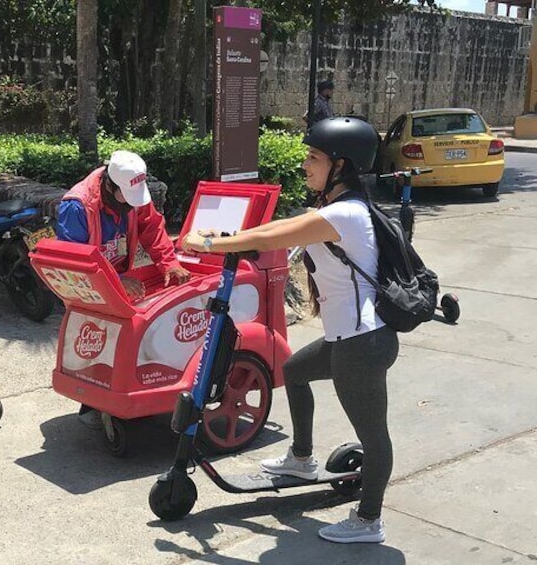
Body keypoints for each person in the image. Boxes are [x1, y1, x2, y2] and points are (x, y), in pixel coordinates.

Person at [182, 117, 399, 544]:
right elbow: (272, 230)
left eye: (314, 158)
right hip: (346, 339)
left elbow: (275, 239)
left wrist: (207, 243)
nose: (305, 165)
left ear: (342, 166)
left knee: (374, 437)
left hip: (362, 344)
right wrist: (225, 235)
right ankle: (301, 459)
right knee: (295, 372)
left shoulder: (345, 215)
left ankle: (369, 520)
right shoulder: (330, 211)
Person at [56, 150, 191, 428]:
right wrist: (116, 282)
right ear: (108, 185)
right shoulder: (77, 206)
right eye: (125, 201)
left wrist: (169, 264)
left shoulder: (132, 193)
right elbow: (74, 264)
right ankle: (93, 402)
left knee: (121, 341)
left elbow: (152, 228)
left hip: (118, 277)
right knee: (93, 339)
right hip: (89, 288)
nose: (131, 207)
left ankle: (118, 399)